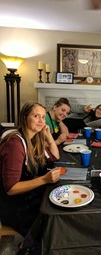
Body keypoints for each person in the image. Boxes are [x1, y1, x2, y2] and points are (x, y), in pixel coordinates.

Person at [0, 101, 61, 237]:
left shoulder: (35, 138)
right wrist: (45, 180)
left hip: (30, 196)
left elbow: (55, 157)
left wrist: (48, 136)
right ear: (25, 117)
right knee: (54, 223)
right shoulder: (15, 144)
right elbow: (11, 189)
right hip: (15, 206)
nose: (41, 121)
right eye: (36, 116)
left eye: (43, 117)